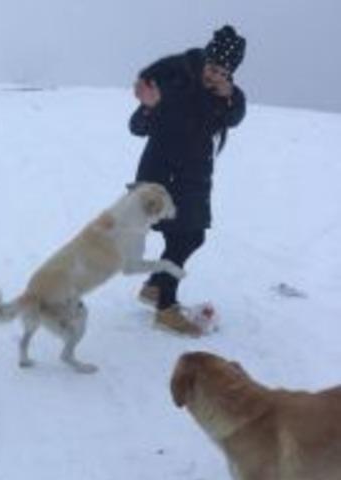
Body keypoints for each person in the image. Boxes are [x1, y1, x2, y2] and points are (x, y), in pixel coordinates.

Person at [129, 25, 247, 335]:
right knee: (185, 237)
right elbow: (137, 126)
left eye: (222, 71)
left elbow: (235, 117)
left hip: (195, 179)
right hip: (162, 176)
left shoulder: (226, 95)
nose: (213, 74)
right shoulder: (176, 80)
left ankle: (156, 287)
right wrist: (147, 107)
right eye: (211, 66)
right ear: (204, 58)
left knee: (189, 237)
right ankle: (165, 307)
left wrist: (229, 96)